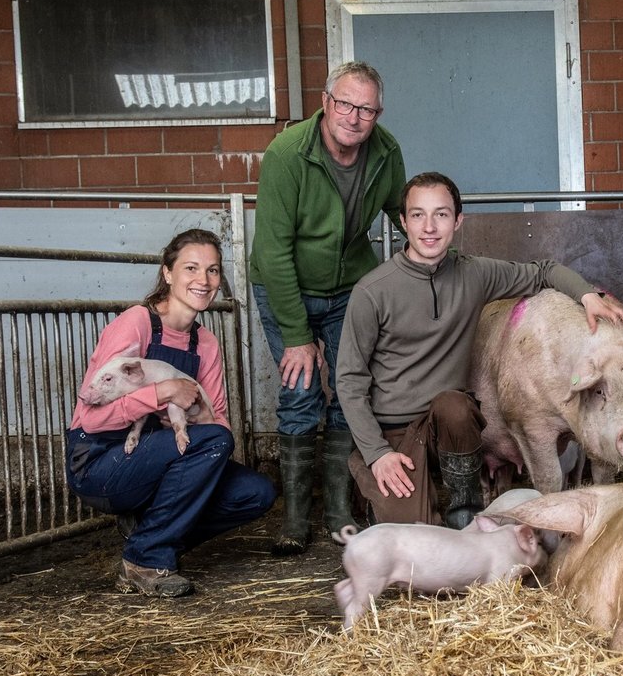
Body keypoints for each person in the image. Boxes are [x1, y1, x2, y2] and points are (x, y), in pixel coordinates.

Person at [336, 172, 623, 528]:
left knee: (456, 405)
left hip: (446, 425)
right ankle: (369, 476)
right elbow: (350, 379)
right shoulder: (372, 291)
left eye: (441, 214)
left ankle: (466, 507)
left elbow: (544, 271)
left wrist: (587, 296)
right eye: (418, 215)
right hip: (394, 433)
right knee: (415, 546)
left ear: (458, 220)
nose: (429, 227)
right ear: (402, 221)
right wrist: (377, 452)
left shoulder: (473, 274)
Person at [65, 229, 276, 598]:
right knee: (212, 442)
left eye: (212, 271)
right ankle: (145, 558)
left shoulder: (205, 342)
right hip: (101, 460)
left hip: (165, 454)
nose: (203, 280)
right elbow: (92, 419)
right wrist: (161, 393)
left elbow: (219, 419)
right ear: (167, 273)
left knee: (255, 492)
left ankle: (149, 532)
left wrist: (195, 418)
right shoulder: (137, 323)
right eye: (191, 268)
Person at [249, 60, 406, 556]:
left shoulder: (386, 152)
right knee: (299, 393)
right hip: (285, 285)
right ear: (325, 102)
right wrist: (297, 335)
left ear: (377, 114)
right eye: (345, 103)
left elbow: (405, 214)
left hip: (349, 291)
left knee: (348, 391)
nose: (354, 116)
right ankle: (296, 518)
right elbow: (273, 253)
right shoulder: (286, 155)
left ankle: (337, 509)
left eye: (366, 108)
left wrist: (434, 252)